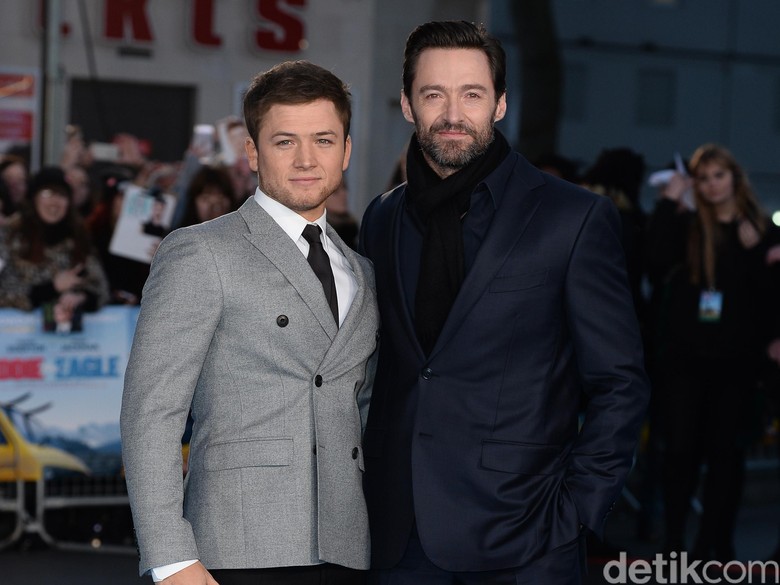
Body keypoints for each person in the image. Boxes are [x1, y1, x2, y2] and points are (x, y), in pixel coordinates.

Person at [358, 21, 650, 585]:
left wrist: (576, 512)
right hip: (399, 537)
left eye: (472, 94)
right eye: (433, 94)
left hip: (525, 537)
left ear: (499, 104)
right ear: (405, 104)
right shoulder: (383, 217)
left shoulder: (572, 218)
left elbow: (620, 383)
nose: (452, 112)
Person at [120, 60, 379, 585]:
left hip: (345, 549)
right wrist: (171, 559)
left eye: (324, 140)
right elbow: (152, 411)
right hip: (230, 553)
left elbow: (363, 411)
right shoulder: (201, 252)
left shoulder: (363, 271)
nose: (307, 159)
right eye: (285, 142)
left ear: (347, 151)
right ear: (253, 152)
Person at [644, 143, 779, 561]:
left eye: (719, 175)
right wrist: (670, 202)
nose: (711, 184)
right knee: (680, 451)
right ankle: (673, 544)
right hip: (686, 359)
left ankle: (715, 544)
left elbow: (770, 298)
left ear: (735, 178)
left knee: (726, 455)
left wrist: (760, 252)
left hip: (737, 361)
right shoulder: (687, 226)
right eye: (703, 178)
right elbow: (653, 262)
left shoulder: (759, 230)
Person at [0, 166, 109, 320]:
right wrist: (52, 288)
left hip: (68, 339)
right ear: (34, 198)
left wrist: (80, 297)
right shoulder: (10, 233)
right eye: (47, 194)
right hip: (14, 335)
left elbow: (101, 288)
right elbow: (4, 291)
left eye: (61, 195)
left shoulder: (77, 234)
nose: (54, 202)